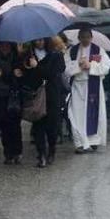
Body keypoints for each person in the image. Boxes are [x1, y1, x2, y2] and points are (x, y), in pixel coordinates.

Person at [64, 28, 110, 153]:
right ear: (79, 38)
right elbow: (66, 68)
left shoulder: (97, 50)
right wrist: (78, 66)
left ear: (91, 38)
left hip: (93, 86)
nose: (85, 39)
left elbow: (106, 66)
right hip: (78, 87)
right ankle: (80, 143)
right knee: (76, 115)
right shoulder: (72, 51)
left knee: (94, 113)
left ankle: (93, 141)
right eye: (82, 37)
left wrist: (90, 66)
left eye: (87, 37)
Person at [24, 37, 66, 167]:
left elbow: (54, 73)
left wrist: (37, 67)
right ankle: (41, 153)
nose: (39, 42)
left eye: (42, 40)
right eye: (36, 40)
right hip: (36, 94)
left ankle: (51, 150)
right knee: (38, 124)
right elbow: (28, 77)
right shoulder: (29, 55)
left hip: (52, 94)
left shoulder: (56, 55)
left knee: (52, 125)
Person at [0, 41, 23, 163]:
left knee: (15, 125)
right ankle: (8, 152)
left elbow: (17, 76)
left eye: (7, 45)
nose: (5, 47)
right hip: (1, 96)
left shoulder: (16, 58)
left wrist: (5, 73)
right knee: (4, 125)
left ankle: (17, 151)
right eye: (2, 45)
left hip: (14, 95)